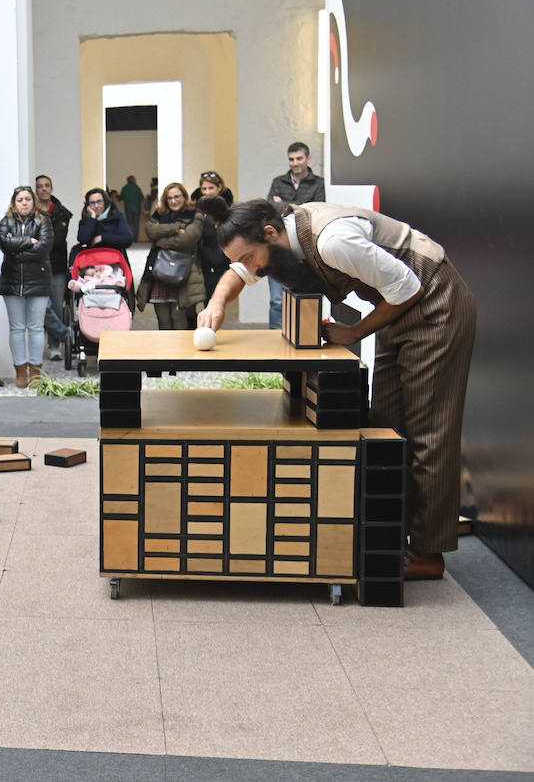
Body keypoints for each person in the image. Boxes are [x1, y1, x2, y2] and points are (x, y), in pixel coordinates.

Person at [199, 196, 475, 580]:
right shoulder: (278, 238)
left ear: (269, 233)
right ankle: (391, 536)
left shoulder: (331, 240)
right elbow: (238, 274)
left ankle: (428, 552)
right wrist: (217, 302)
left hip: (434, 304)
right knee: (386, 427)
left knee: (428, 432)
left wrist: (356, 332)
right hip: (398, 309)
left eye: (249, 257)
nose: (250, 268)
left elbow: (407, 286)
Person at [0, 185, 54, 387]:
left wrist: (17, 249)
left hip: (38, 281)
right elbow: (4, 244)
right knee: (17, 328)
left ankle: (36, 370)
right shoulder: (6, 222)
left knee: (36, 328)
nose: (24, 203)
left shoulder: (43, 220)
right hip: (12, 282)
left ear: (34, 202)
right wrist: (29, 241)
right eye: (20, 199)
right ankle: (20, 370)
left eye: (27, 199)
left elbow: (44, 248)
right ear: (14, 202)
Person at [265, 142, 326, 328]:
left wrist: (284, 204)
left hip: (306, 247)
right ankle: (275, 340)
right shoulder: (278, 181)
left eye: (299, 158)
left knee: (307, 297)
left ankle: (305, 336)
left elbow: (315, 212)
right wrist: (297, 206)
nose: (295, 163)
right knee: (277, 301)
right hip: (279, 248)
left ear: (308, 159)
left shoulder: (319, 183)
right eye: (291, 159)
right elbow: (270, 211)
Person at [135, 183, 205, 330]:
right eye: (170, 198)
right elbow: (151, 231)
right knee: (163, 319)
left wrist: (162, 238)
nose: (173, 201)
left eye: (177, 197)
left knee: (178, 317)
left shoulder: (195, 215)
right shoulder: (158, 215)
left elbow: (188, 240)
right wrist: (176, 229)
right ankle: (166, 353)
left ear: (184, 197)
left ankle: (182, 353)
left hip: (183, 274)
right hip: (159, 273)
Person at [34, 175, 74, 357]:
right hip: (36, 266)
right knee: (43, 306)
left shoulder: (61, 213)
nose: (44, 189)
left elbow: (57, 240)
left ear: (52, 188)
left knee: (57, 306)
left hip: (57, 266)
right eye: (40, 186)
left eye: (47, 186)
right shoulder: (30, 212)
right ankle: (66, 335)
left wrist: (37, 241)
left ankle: (54, 346)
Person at [194, 173, 233, 299]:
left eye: (211, 188)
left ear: (219, 188)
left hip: (222, 259)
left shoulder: (227, 210)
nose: (207, 192)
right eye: (204, 189)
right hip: (202, 260)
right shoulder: (197, 210)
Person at [73, 187, 133, 259]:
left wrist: (102, 238)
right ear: (88, 205)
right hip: (92, 261)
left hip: (114, 259)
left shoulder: (116, 217)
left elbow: (127, 239)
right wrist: (93, 219)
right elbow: (83, 239)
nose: (96, 206)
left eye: (99, 201)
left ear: (105, 202)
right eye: (92, 203)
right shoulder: (87, 219)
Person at [121, 176, 145, 242]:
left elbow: (121, 197)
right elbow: (142, 197)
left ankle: (130, 238)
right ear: (133, 180)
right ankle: (135, 238)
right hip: (136, 208)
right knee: (136, 224)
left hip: (128, 208)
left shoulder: (125, 188)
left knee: (129, 223)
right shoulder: (136, 187)